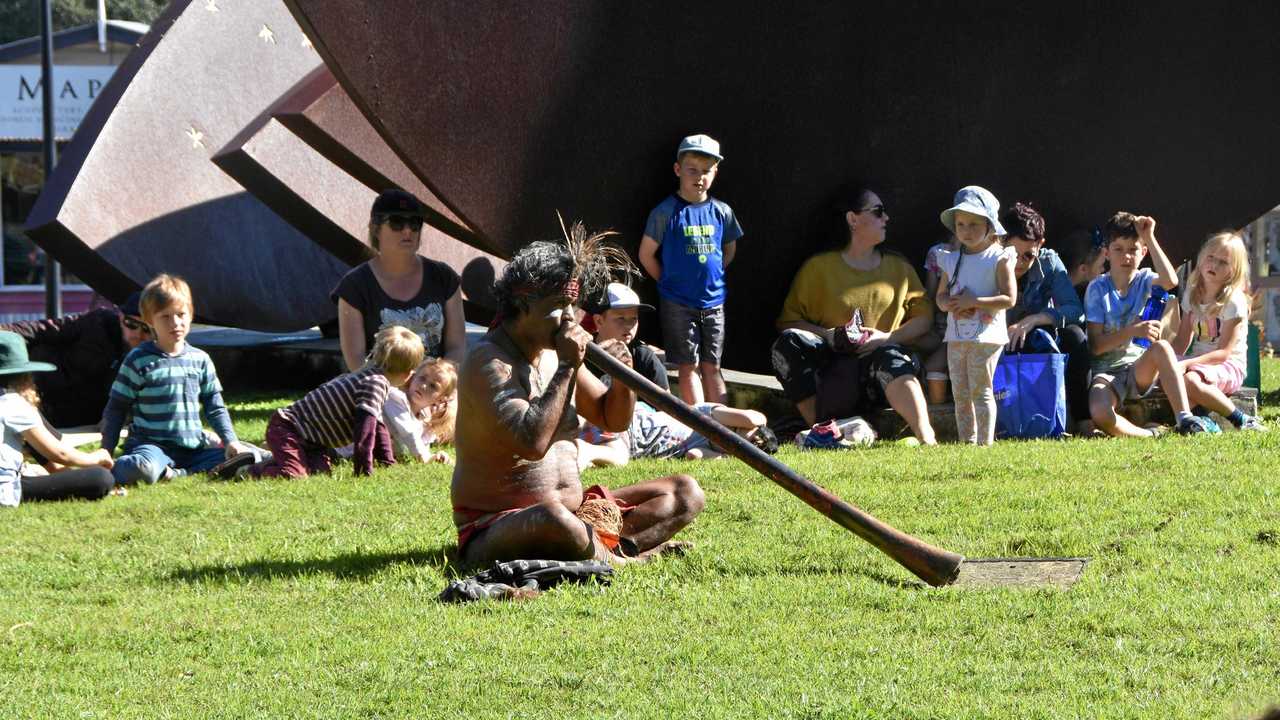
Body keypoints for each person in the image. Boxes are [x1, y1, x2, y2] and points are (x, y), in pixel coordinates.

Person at [452, 223, 705, 566]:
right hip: (498, 525)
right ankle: (624, 561)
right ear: (524, 305)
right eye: (559, 304)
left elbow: (611, 418)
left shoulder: (556, 351)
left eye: (573, 304)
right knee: (554, 519)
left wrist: (622, 380)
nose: (570, 318)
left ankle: (599, 550)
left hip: (575, 513)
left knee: (683, 493)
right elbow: (532, 442)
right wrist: (568, 367)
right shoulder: (488, 361)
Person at [771, 186, 938, 445]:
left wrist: (886, 338)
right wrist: (827, 335)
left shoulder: (899, 268)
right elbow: (787, 323)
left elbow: (924, 319)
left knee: (891, 358)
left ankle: (927, 439)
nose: (887, 218)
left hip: (879, 369)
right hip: (832, 369)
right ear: (853, 219)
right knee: (788, 345)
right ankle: (823, 431)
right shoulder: (818, 268)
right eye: (878, 212)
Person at [576, 282, 775, 467]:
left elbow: (665, 406)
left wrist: (733, 452)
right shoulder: (584, 353)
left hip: (635, 430)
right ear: (598, 320)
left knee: (619, 455)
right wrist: (756, 434)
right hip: (602, 418)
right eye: (621, 319)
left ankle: (585, 450)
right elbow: (753, 419)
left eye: (634, 319)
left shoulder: (643, 357)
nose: (629, 326)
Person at [100, 275, 255, 485]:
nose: (175, 323)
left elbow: (215, 406)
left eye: (181, 314)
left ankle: (178, 473)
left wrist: (231, 441)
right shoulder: (137, 360)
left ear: (191, 315)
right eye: (165, 317)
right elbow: (116, 408)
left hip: (193, 448)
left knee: (251, 458)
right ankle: (169, 470)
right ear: (148, 320)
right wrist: (106, 450)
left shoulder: (200, 359)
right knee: (138, 469)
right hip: (152, 448)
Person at [638, 134, 743, 406]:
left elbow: (728, 249)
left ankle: (724, 427)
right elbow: (646, 254)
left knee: (712, 365)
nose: (699, 177)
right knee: (688, 365)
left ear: (715, 173)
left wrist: (716, 274)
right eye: (692, 170)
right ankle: (699, 425)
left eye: (706, 171)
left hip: (714, 301)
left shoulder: (722, 211)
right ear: (678, 170)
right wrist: (668, 282)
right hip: (678, 303)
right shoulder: (665, 212)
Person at [1085, 213, 1213, 437]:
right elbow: (1096, 346)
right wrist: (1132, 331)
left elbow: (1170, 281)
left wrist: (1149, 237)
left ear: (1143, 253)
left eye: (1133, 250)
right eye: (1118, 249)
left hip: (1139, 368)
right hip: (1107, 372)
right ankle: (1151, 435)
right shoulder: (1097, 289)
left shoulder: (1144, 279)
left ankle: (1185, 419)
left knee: (1162, 347)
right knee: (1100, 412)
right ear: (1106, 253)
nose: (1126, 256)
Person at [241, 326, 425, 479]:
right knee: (294, 475)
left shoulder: (373, 378)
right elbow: (365, 430)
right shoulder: (374, 383)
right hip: (289, 428)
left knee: (320, 474)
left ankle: (270, 462)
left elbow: (378, 426)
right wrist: (363, 470)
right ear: (408, 374)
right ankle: (250, 470)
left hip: (314, 441)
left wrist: (387, 462)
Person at [332, 189, 466, 370]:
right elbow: (356, 362)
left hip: (435, 389)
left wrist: (435, 384)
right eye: (397, 222)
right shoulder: (354, 286)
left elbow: (457, 348)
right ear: (375, 228)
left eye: (415, 222)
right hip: (379, 392)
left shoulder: (445, 278)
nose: (408, 230)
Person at [935, 186, 1017, 446]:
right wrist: (950, 304)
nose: (966, 231)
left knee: (980, 391)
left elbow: (1009, 298)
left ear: (989, 225)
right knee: (959, 393)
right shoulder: (950, 259)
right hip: (957, 335)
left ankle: (984, 444)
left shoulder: (999, 258)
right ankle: (966, 443)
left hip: (986, 336)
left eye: (973, 224)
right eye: (961, 224)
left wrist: (975, 302)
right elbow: (940, 297)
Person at [1000, 203, 1092, 427]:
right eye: (1014, 254)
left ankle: (1083, 420)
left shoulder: (1048, 262)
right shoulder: (988, 260)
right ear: (1000, 241)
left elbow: (1074, 309)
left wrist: (1035, 319)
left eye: (1028, 255)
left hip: (1034, 340)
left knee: (1075, 336)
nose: (1020, 263)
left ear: (1040, 245)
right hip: (996, 340)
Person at [1, 292, 150, 427]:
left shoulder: (156, 355)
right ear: (120, 317)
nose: (137, 334)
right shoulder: (97, 323)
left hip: (88, 419)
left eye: (147, 329)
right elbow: (38, 329)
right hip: (46, 399)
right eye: (131, 324)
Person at [0, 332, 114, 506]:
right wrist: (96, 458)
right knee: (100, 478)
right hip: (4, 493)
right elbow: (59, 453)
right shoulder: (13, 404)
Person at [1172, 232, 1266, 430]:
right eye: (1210, 258)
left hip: (1228, 365)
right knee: (1168, 375)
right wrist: (1168, 361)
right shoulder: (1192, 294)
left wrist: (1186, 363)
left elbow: (1224, 353)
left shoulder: (1233, 302)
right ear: (1201, 258)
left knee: (1189, 380)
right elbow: (1182, 341)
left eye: (1223, 262)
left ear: (1233, 271)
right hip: (1198, 363)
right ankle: (1201, 422)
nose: (1213, 265)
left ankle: (1241, 419)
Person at [335, 356, 458, 465]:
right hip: (340, 448)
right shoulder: (394, 397)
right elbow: (408, 434)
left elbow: (413, 446)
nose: (424, 385)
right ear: (412, 378)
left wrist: (438, 456)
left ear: (441, 399)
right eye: (422, 378)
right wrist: (426, 458)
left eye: (433, 386)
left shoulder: (420, 420)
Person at [919, 235, 958, 404]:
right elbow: (932, 296)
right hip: (940, 327)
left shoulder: (987, 256)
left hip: (967, 330)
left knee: (932, 367)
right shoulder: (939, 253)